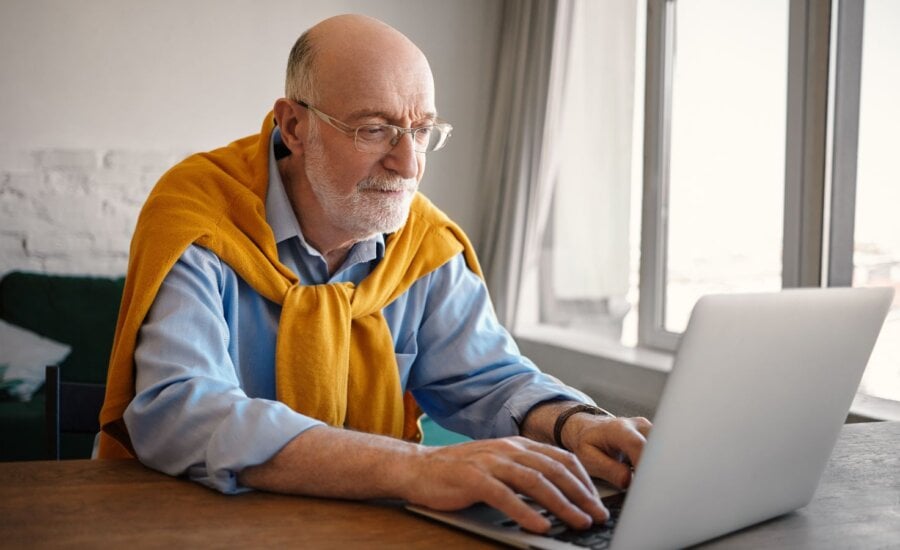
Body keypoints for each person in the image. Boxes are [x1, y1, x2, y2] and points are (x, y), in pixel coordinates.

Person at [98, 14, 651, 534]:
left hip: (365, 530)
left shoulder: (425, 244)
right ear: (294, 125)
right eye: (374, 129)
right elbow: (181, 410)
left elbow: (492, 380)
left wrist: (576, 425)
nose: (408, 165)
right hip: (193, 527)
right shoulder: (198, 214)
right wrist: (417, 469)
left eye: (422, 130)